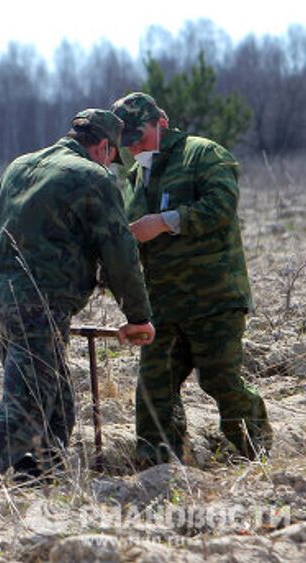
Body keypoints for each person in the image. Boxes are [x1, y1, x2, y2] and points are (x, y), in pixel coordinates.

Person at [0, 109, 155, 500]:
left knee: (57, 404)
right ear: (103, 146)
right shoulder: (92, 177)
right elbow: (119, 253)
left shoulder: (19, 166)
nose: (110, 163)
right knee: (25, 408)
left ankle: (37, 480)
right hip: (38, 306)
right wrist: (139, 317)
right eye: (111, 156)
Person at [111, 92, 272, 465]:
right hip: (163, 306)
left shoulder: (203, 154)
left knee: (220, 381)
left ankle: (258, 456)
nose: (134, 146)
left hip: (212, 299)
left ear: (161, 122)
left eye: (140, 135)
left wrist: (165, 223)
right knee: (153, 387)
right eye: (127, 140)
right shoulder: (135, 177)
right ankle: (159, 467)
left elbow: (221, 206)